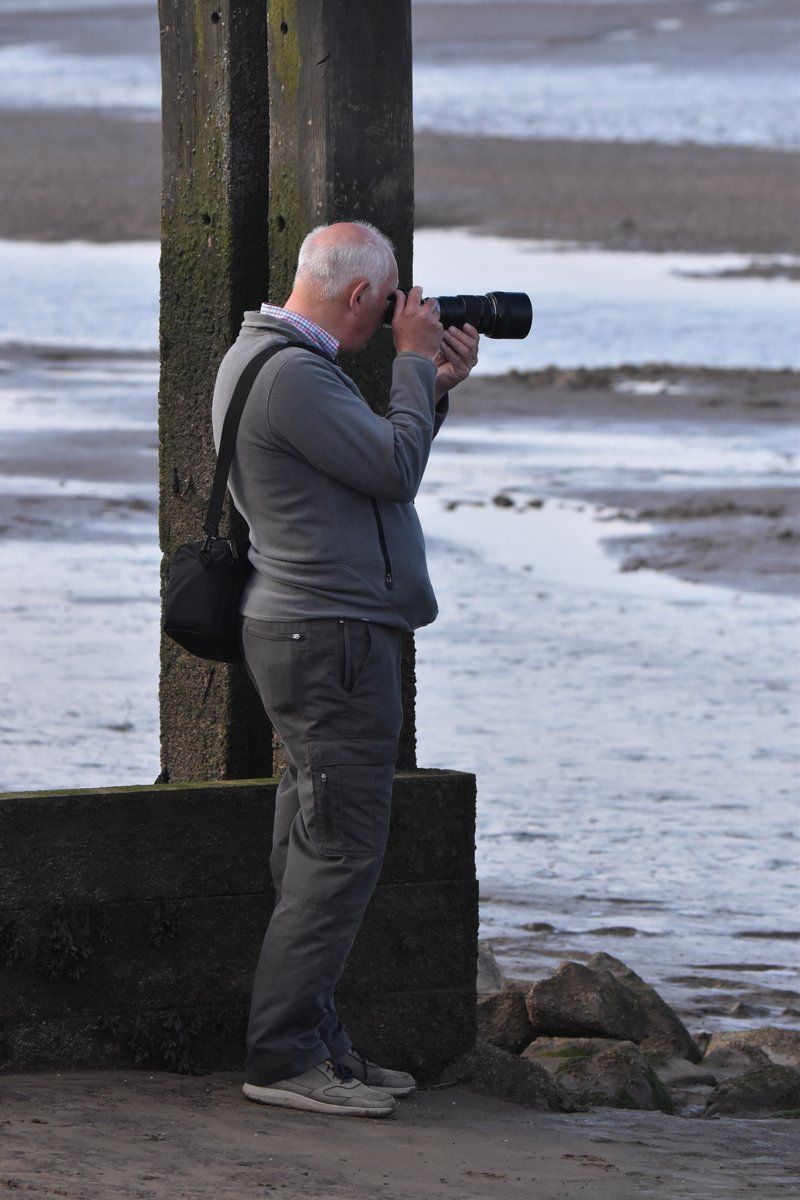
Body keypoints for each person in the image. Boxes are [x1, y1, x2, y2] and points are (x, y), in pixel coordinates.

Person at [211, 220, 479, 1118]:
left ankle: (317, 1041)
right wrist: (411, 366)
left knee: (314, 843)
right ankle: (284, 1055)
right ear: (360, 296)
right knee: (340, 850)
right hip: (328, 640)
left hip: (315, 635)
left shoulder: (278, 362)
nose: (397, 316)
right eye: (389, 302)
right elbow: (395, 469)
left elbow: (371, 471)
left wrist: (427, 388)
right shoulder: (292, 375)